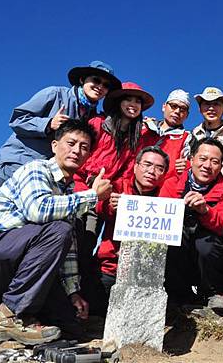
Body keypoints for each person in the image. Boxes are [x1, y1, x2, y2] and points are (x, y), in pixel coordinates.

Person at [0, 61, 121, 325]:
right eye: (95, 82)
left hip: (52, 181)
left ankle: (0, 303)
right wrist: (48, 123)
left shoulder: (91, 116)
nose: (99, 88)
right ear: (81, 81)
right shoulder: (55, 94)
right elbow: (16, 118)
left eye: (105, 86)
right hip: (14, 168)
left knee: (44, 235)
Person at [0, 119, 113, 345]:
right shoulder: (36, 169)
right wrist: (93, 196)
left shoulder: (66, 193)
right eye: (71, 143)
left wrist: (73, 293)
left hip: (11, 267)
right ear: (55, 145)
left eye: (84, 147)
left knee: (71, 328)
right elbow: (38, 210)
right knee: (60, 229)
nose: (77, 150)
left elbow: (65, 254)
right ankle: (6, 315)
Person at [73, 82, 159, 253]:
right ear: (118, 102)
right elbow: (79, 159)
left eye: (138, 101)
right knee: (80, 240)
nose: (133, 105)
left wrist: (115, 194)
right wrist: (88, 187)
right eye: (128, 99)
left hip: (110, 198)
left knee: (102, 247)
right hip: (83, 191)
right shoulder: (97, 124)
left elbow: (129, 172)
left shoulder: (140, 138)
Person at [159, 137, 223, 314]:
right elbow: (162, 222)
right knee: (173, 239)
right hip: (181, 251)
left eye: (215, 161)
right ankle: (177, 293)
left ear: (220, 166)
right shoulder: (172, 184)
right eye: (202, 159)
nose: (207, 165)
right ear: (192, 159)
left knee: (207, 244)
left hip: (210, 254)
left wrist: (205, 211)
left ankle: (213, 293)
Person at [88, 146, 169, 314]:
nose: (151, 171)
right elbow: (99, 208)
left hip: (147, 275)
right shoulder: (118, 186)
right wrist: (110, 206)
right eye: (147, 165)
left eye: (159, 168)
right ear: (135, 166)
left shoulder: (167, 199)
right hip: (111, 268)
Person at [145, 89, 192, 180]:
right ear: (164, 106)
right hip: (133, 190)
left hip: (165, 191)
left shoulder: (188, 138)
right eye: (173, 106)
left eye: (183, 109)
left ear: (187, 115)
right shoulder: (145, 128)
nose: (177, 111)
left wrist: (189, 166)